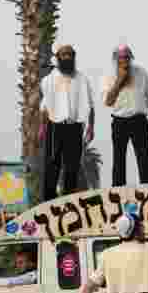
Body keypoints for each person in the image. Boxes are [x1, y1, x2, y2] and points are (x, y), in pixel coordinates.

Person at [39, 43, 95, 201]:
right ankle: (48, 202)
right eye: (64, 55)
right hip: (54, 127)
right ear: (58, 58)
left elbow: (90, 105)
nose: (67, 57)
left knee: (72, 168)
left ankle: (68, 201)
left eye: (70, 54)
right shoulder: (49, 79)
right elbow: (44, 107)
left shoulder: (82, 79)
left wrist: (91, 127)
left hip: (74, 128)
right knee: (51, 166)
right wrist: (43, 128)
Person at [102, 45, 148, 186]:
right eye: (121, 57)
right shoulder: (109, 76)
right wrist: (119, 81)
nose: (124, 60)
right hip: (120, 122)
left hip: (139, 120)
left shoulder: (141, 72)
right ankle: (118, 191)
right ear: (116, 59)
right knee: (118, 159)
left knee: (144, 158)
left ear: (131, 57)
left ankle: (146, 189)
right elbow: (108, 102)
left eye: (127, 57)